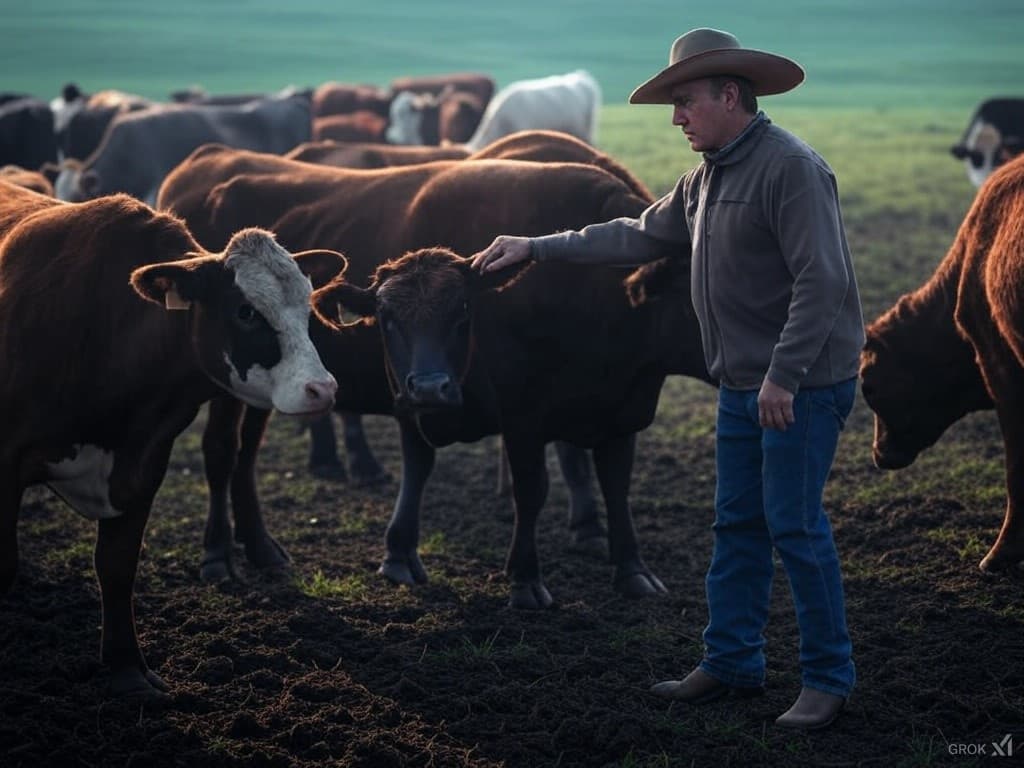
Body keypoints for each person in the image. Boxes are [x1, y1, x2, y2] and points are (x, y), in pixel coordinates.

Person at [471, 28, 865, 730]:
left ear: (729, 94)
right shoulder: (706, 177)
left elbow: (823, 280)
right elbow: (634, 235)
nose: (676, 117)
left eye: (684, 102)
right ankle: (732, 661)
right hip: (747, 385)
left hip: (796, 387)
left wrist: (784, 374)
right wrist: (536, 246)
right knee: (737, 525)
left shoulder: (790, 170)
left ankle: (828, 680)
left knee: (796, 529)